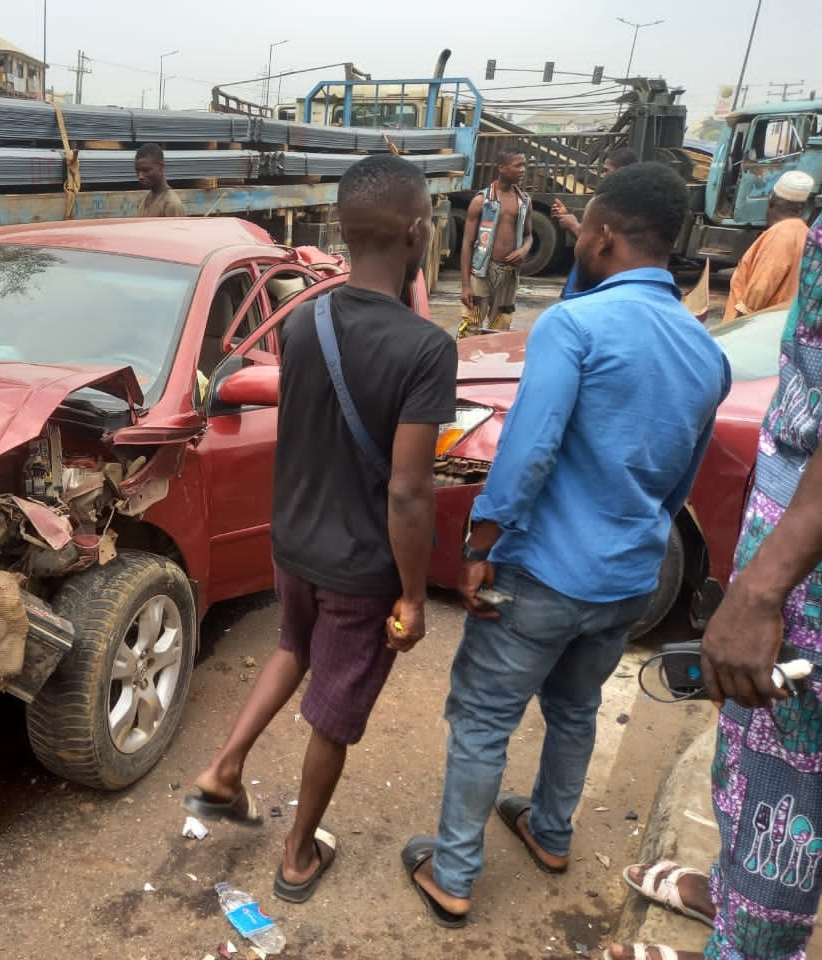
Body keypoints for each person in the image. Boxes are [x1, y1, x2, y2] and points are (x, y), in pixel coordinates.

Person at [402, 162, 732, 928]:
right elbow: (679, 480)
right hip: (629, 576)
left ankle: (453, 873)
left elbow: (527, 453)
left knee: (484, 718)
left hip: (545, 572)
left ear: (606, 236)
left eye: (583, 227)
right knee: (576, 709)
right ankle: (550, 833)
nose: (578, 236)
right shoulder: (704, 349)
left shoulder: (573, 325)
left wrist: (480, 540)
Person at [182, 154, 456, 904]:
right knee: (334, 711)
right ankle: (299, 855)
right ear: (416, 228)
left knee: (290, 648)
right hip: (359, 567)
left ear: (341, 229)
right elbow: (408, 490)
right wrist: (413, 596)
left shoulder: (304, 321)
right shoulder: (426, 348)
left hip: (293, 545)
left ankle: (225, 767)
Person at [606, 217, 822, 960]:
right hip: (793, 575)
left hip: (804, 593)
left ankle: (750, 934)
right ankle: (736, 905)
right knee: (763, 787)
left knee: (781, 792)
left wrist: (761, 590)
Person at [457, 146, 533, 338]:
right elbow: (467, 243)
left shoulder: (524, 202)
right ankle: (466, 366)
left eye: (524, 165)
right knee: (470, 325)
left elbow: (529, 235)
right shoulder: (481, 201)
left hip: (508, 274)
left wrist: (524, 249)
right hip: (481, 271)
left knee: (500, 328)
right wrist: (466, 285)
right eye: (518, 165)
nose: (523, 170)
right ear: (502, 168)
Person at [722, 169, 816, 323]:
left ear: (771, 200)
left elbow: (759, 290)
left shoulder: (781, 235)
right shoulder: (805, 234)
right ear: (802, 207)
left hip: (755, 329)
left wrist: (734, 330)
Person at [553, 147, 640, 299]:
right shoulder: (632, 202)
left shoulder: (615, 204)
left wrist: (572, 224)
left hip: (595, 279)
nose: (603, 175)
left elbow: (596, 244)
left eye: (606, 170)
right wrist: (566, 217)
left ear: (623, 171)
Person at [134, 143, 185, 218]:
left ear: (161, 168)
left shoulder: (171, 204)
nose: (140, 176)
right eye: (137, 171)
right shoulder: (145, 200)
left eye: (146, 170)